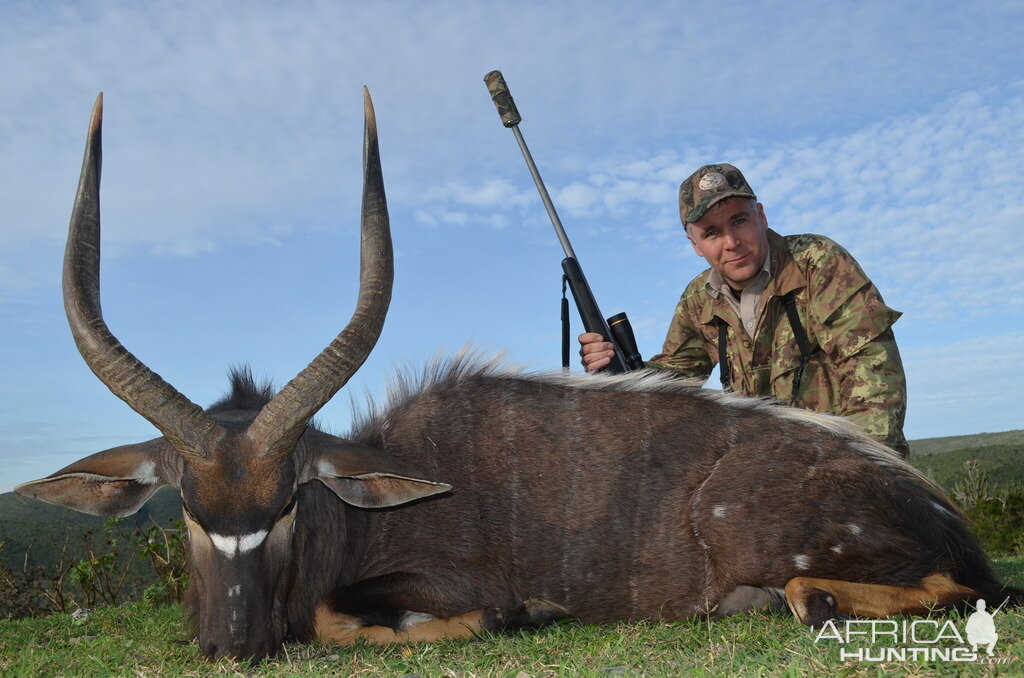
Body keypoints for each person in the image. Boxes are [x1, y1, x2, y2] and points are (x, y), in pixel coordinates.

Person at [580, 163, 909, 457]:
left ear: (761, 217)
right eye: (711, 232)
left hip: (845, 462)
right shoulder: (698, 298)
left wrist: (860, 470)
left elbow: (875, 376)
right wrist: (618, 373)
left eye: (739, 221)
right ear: (695, 245)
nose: (731, 242)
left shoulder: (817, 261)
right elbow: (676, 375)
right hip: (766, 473)